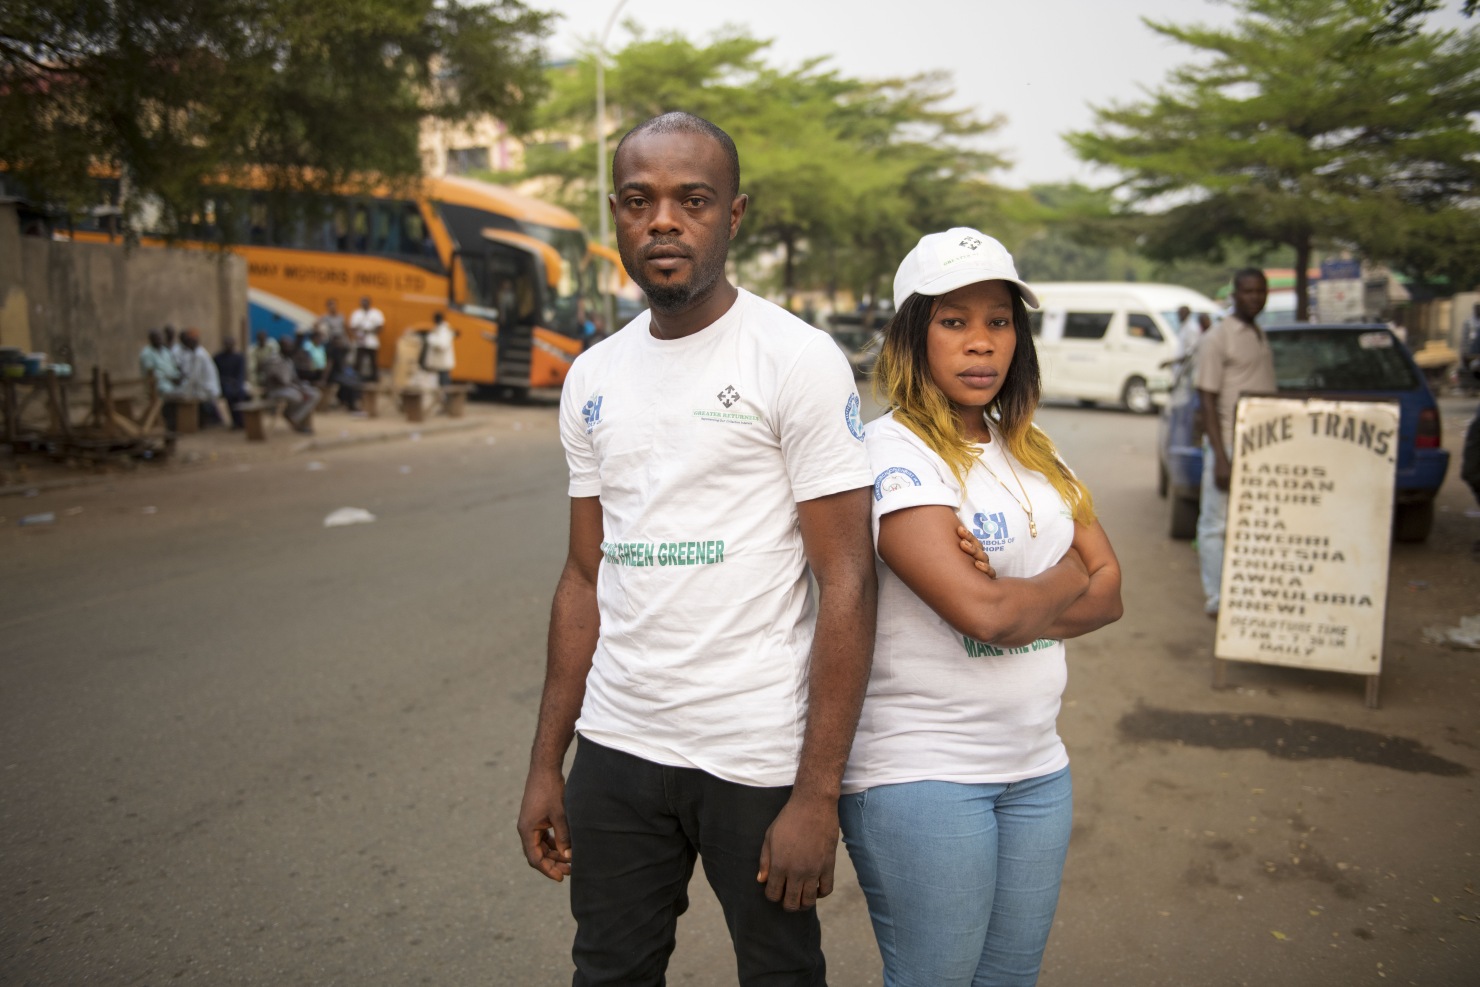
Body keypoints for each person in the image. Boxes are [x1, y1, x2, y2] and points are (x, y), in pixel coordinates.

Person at [516, 111, 877, 986]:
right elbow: (582, 574)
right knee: (607, 970)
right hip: (618, 743)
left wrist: (816, 792)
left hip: (752, 752)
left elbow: (849, 580)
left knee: (781, 974)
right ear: (615, 215)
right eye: (640, 201)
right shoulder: (593, 375)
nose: (664, 221)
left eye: (693, 199)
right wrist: (545, 763)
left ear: (734, 214)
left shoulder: (795, 359)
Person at [839, 228, 1123, 987]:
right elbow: (989, 617)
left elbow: (1113, 588)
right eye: (954, 320)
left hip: (1036, 766)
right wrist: (1065, 572)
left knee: (1010, 980)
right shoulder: (892, 453)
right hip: (922, 770)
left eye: (998, 321)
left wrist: (1021, 591)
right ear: (912, 334)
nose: (981, 344)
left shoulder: (1033, 449)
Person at [1196, 268, 1273, 618]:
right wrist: (1222, 458)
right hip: (1227, 444)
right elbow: (1207, 399)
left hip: (1262, 446)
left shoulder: (1258, 333)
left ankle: (1244, 592)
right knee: (1216, 525)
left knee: (1252, 523)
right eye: (1248, 292)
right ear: (1234, 295)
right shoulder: (1219, 337)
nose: (1255, 297)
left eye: (1260, 291)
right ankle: (1217, 598)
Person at [261, 337, 318, 434]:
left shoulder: (288, 360)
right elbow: (275, 379)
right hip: (277, 390)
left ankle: (294, 418)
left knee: (314, 394)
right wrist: (296, 389)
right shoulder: (273, 360)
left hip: (289, 387)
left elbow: (294, 378)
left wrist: (301, 387)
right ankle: (291, 417)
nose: (290, 348)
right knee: (297, 396)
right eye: (287, 346)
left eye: (290, 346)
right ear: (281, 347)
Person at [174, 328, 224, 426]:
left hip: (207, 388)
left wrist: (184, 391)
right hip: (203, 386)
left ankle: (211, 420)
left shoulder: (199, 355)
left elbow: (194, 377)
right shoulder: (193, 353)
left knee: (195, 399)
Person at [214, 335, 250, 429]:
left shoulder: (239, 358)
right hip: (223, 383)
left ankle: (242, 421)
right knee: (229, 394)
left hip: (237, 383)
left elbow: (241, 374)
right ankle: (236, 421)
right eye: (227, 344)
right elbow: (216, 374)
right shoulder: (218, 358)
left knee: (242, 394)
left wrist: (237, 384)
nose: (229, 346)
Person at [349, 296, 384, 382]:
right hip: (360, 340)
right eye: (363, 302)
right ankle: (356, 378)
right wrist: (358, 332)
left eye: (366, 302)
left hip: (371, 341)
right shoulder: (356, 313)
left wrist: (370, 330)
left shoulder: (376, 313)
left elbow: (380, 326)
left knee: (373, 361)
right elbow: (352, 327)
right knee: (358, 361)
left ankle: (374, 378)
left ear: (369, 303)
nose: (364, 304)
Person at [138, 329, 180, 398]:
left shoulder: (166, 351)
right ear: (151, 339)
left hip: (172, 383)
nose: (158, 339)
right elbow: (150, 373)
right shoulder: (147, 353)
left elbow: (173, 368)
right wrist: (169, 378)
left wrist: (176, 377)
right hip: (159, 385)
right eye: (156, 337)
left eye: (160, 337)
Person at [422, 311, 457, 386]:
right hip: (439, 364)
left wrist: (430, 338)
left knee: (443, 385)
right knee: (437, 385)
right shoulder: (438, 329)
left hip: (442, 365)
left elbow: (442, 345)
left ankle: (445, 397)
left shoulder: (444, 331)